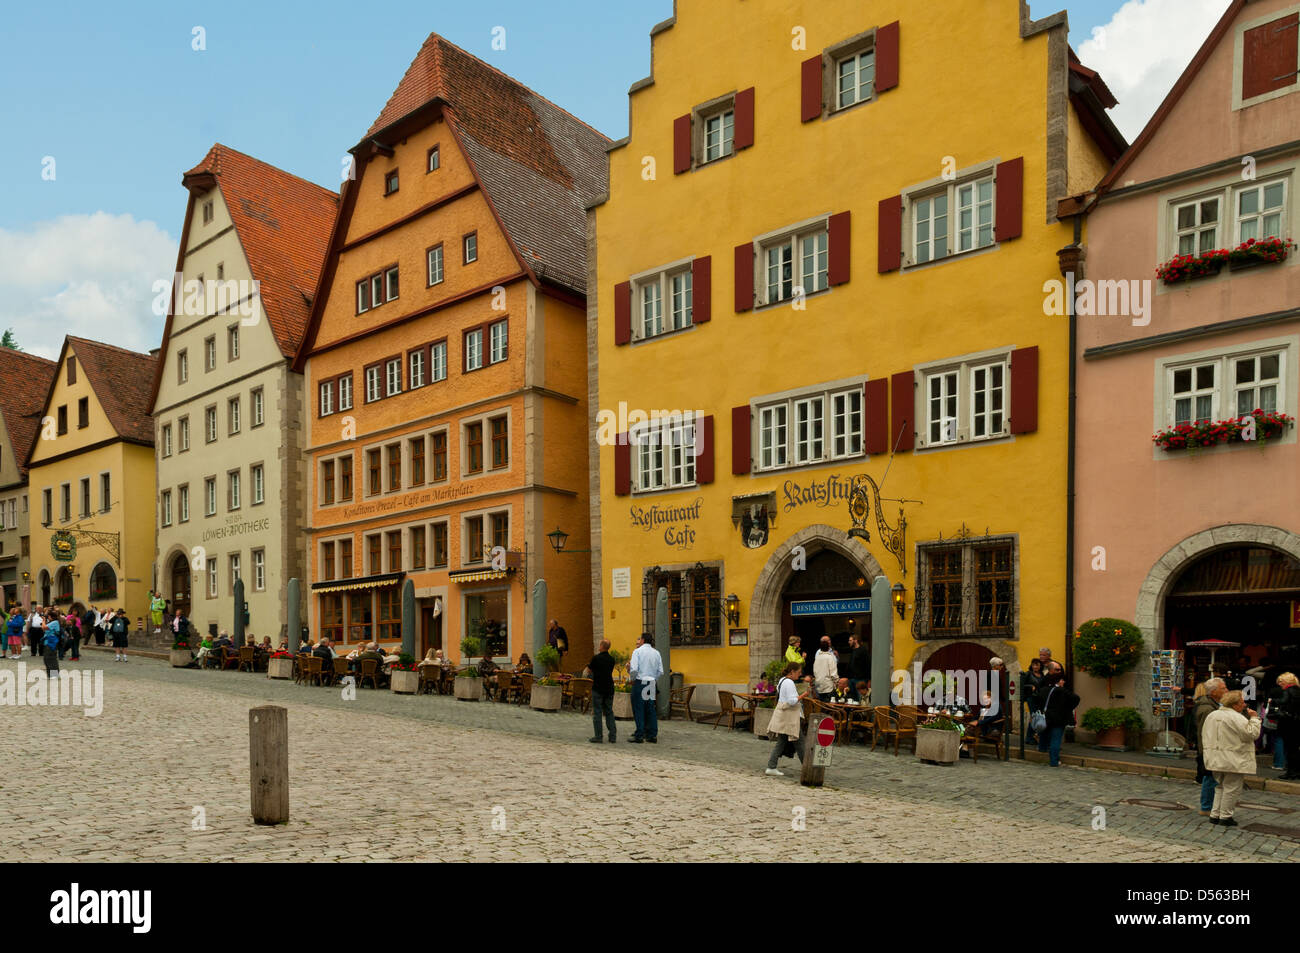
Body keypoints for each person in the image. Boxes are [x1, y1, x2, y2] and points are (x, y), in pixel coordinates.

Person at [1202, 690, 1261, 827]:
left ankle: (1215, 814)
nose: (1244, 705)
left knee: (1220, 786)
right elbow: (1251, 734)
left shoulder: (1212, 715)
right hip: (1233, 757)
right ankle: (1225, 816)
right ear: (1235, 704)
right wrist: (1255, 719)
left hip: (1215, 756)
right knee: (1232, 787)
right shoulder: (1236, 717)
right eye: (1242, 702)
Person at [765, 661, 810, 776]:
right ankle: (808, 769)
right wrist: (804, 695)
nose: (799, 675)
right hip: (790, 717)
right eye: (798, 672)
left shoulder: (782, 680)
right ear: (792, 672)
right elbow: (792, 701)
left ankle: (771, 766)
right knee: (799, 742)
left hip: (784, 715)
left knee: (782, 741)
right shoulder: (789, 682)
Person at [1194, 677, 1227, 815]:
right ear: (1213, 692)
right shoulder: (1207, 709)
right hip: (1210, 749)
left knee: (1213, 777)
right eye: (1223, 688)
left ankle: (1210, 805)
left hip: (1214, 747)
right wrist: (1206, 752)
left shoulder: (1215, 705)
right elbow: (1205, 733)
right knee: (1210, 777)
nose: (1226, 690)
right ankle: (1206, 807)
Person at [1035, 664, 1079, 766]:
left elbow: (1038, 701)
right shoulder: (1063, 691)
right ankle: (1054, 761)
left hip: (1046, 717)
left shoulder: (1044, 690)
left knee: (1044, 734)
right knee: (1056, 739)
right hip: (1059, 719)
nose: (1063, 682)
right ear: (1057, 681)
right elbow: (1076, 699)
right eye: (1062, 680)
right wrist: (1069, 708)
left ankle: (1042, 749)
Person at [628, 632, 664, 744]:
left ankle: (639, 734)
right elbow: (660, 671)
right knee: (650, 709)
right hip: (651, 682)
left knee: (639, 709)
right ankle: (652, 735)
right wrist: (653, 679)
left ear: (643, 640)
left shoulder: (637, 651)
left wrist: (632, 679)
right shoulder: (656, 653)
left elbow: (633, 669)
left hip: (640, 682)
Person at [585, 639, 617, 743]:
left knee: (597, 712)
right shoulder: (612, 659)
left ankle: (598, 736)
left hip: (598, 687)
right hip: (609, 688)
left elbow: (588, 670)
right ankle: (612, 735)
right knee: (609, 712)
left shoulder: (596, 658)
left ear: (602, 646)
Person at [1272, 672, 1300, 780]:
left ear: (1287, 681)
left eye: (1281, 681)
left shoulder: (1287, 691)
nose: (1279, 684)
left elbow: (1283, 704)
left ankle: (1291, 772)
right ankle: (1297, 771)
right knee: (1295, 748)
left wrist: (1273, 701)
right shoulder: (1298, 690)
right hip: (1297, 723)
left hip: (1288, 724)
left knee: (1289, 749)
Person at [1023, 658, 1046, 744]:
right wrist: (1030, 687)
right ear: (1031, 666)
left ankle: (1034, 736)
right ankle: (1029, 737)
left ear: (1040, 666)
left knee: (1038, 717)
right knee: (1034, 716)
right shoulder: (1028, 674)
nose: (1035, 667)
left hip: (1039, 698)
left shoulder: (1042, 675)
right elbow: (1022, 685)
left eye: (1037, 665)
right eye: (1033, 665)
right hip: (1031, 697)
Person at [812, 636, 838, 701]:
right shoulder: (830, 657)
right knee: (829, 707)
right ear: (828, 648)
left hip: (819, 686)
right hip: (828, 686)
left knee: (822, 706)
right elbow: (833, 672)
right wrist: (836, 682)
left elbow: (815, 671)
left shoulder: (817, 658)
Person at [847, 634, 870, 699]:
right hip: (852, 679)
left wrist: (869, 680)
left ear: (855, 640)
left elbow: (868, 664)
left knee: (860, 698)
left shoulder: (863, 650)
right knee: (852, 699)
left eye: (850, 640)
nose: (849, 642)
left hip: (860, 679)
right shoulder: (853, 651)